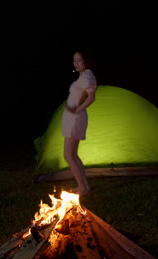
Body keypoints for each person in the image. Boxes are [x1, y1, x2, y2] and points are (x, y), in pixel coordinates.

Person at [61, 50, 97, 196]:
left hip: (76, 118)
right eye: (74, 60)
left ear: (86, 61)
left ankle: (82, 187)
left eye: (79, 60)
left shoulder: (88, 75)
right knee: (73, 155)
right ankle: (84, 186)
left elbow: (91, 97)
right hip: (72, 118)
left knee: (68, 155)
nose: (76, 63)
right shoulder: (82, 76)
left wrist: (76, 110)